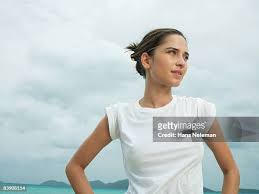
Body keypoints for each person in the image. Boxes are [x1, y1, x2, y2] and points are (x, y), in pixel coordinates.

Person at [65, 28, 240, 194]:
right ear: (147, 60)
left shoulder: (197, 110)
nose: (182, 62)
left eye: (185, 56)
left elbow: (230, 171)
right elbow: (75, 167)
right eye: (172, 52)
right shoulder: (120, 116)